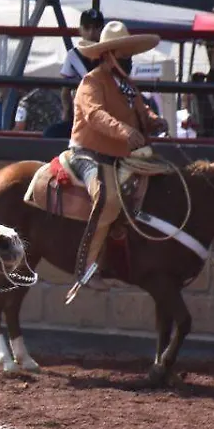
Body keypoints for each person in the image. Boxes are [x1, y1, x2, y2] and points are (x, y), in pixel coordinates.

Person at [65, 21, 165, 304]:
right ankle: (86, 268)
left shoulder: (127, 86)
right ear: (109, 55)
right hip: (86, 153)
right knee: (107, 199)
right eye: (123, 53)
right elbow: (94, 115)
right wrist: (125, 131)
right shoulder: (91, 82)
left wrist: (154, 122)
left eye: (129, 53)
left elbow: (142, 111)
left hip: (119, 155)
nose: (128, 58)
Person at [60, 9, 105, 125]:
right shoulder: (72, 55)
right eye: (87, 28)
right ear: (80, 29)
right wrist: (67, 111)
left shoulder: (109, 54)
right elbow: (65, 90)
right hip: (81, 112)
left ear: (102, 30)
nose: (91, 33)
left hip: (106, 111)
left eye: (95, 28)